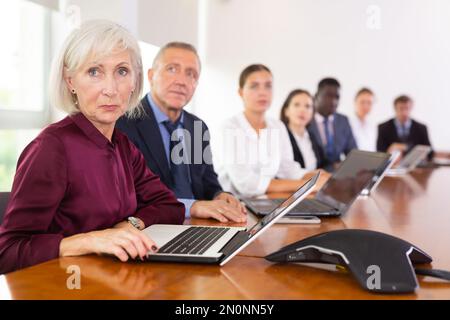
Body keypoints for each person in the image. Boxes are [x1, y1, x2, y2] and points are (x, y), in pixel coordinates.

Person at [0, 20, 184, 274]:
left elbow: (170, 207)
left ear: (134, 82)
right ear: (70, 81)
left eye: (121, 71)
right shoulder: (51, 148)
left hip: (116, 280)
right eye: (94, 72)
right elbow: (8, 251)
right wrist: (89, 240)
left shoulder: (122, 145)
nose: (110, 89)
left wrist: (130, 224)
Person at [116, 42, 246, 224]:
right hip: (152, 226)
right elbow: (130, 196)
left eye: (191, 74)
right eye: (172, 69)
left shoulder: (197, 127)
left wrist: (220, 195)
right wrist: (191, 206)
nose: (181, 81)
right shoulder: (124, 124)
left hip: (200, 225)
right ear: (151, 75)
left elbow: (209, 182)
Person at [217, 64, 329, 198]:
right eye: (254, 86)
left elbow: (287, 168)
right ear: (241, 92)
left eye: (268, 86)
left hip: (266, 202)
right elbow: (246, 184)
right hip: (233, 205)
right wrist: (308, 184)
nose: (262, 92)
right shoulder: (230, 127)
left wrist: (317, 176)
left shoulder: (278, 126)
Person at [308, 78, 357, 171]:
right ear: (316, 96)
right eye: (328, 96)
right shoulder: (306, 119)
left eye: (337, 97)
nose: (334, 101)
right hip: (313, 175)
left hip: (338, 176)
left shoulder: (343, 121)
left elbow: (353, 153)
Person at [279, 89, 326, 170]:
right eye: (296, 105)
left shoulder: (312, 136)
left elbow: (322, 165)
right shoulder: (280, 137)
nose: (302, 110)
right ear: (286, 111)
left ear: (312, 113)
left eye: (307, 106)